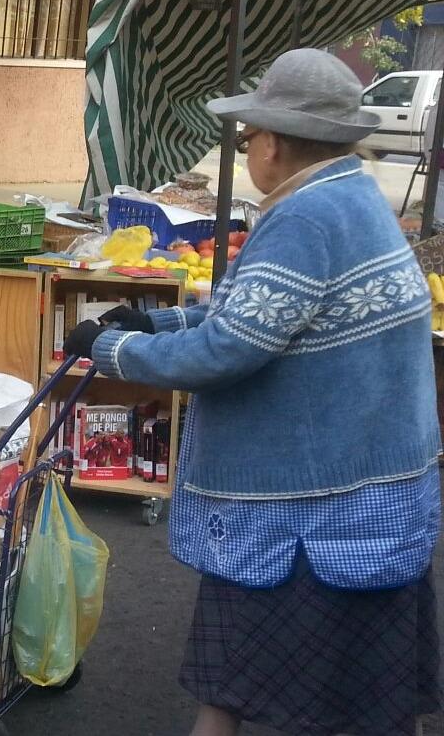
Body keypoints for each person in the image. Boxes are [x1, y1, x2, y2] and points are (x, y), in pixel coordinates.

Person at [63, 48, 439, 736]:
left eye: (247, 138)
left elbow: (227, 350)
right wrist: (154, 321)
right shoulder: (352, 197)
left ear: (271, 144)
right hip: (365, 481)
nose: (247, 151)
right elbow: (256, 314)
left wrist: (110, 348)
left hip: (313, 504)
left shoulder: (305, 219)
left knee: (291, 676)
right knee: (346, 682)